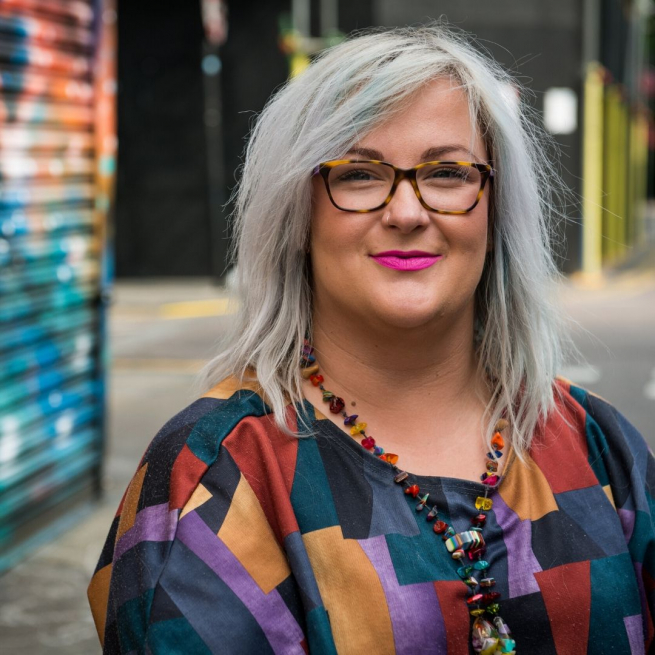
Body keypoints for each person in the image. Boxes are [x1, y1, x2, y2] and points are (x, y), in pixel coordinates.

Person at [88, 23, 655, 654]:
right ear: (296, 214)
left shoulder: (596, 446)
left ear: (497, 210)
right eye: (358, 174)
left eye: (446, 172)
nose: (408, 212)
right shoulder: (216, 475)